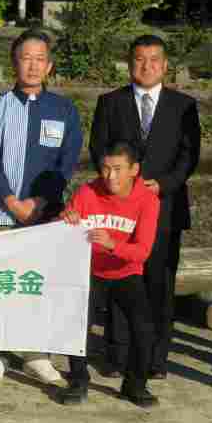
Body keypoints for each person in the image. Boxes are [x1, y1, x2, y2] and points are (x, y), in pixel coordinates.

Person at [89, 34, 200, 380]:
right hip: (120, 210)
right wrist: (123, 186)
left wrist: (162, 184)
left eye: (154, 59)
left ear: (166, 65)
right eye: (139, 59)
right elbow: (98, 150)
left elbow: (189, 155)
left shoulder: (183, 105)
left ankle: (154, 359)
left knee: (159, 286)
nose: (147, 65)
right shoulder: (111, 102)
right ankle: (117, 355)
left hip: (164, 208)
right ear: (130, 63)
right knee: (121, 282)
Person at [0, 28, 83, 383]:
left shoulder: (64, 110)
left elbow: (65, 164)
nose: (33, 66)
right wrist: (10, 201)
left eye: (40, 59)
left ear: (49, 66)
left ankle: (37, 354)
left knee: (38, 284)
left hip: (44, 216)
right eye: (26, 58)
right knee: (0, 285)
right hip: (0, 214)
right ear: (14, 63)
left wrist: (38, 202)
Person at [59, 141, 160, 408]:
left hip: (126, 272)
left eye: (117, 169)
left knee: (144, 330)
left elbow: (143, 252)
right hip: (89, 270)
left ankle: (135, 386)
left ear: (134, 170)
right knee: (77, 326)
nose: (110, 176)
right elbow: (61, 232)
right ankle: (78, 382)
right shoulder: (86, 192)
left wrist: (113, 244)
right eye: (105, 168)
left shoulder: (148, 200)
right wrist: (65, 218)